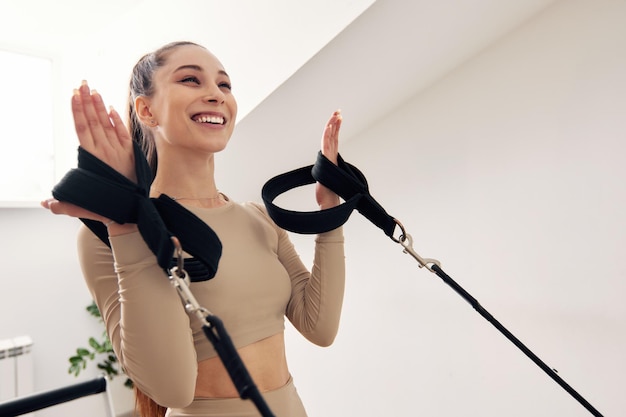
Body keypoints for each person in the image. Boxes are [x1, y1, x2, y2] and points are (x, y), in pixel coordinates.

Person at [42, 41, 345, 417]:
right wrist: (127, 225)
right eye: (190, 79)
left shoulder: (256, 218)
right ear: (146, 110)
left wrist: (329, 211)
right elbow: (172, 387)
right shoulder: (107, 234)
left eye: (224, 85)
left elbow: (320, 327)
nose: (215, 95)